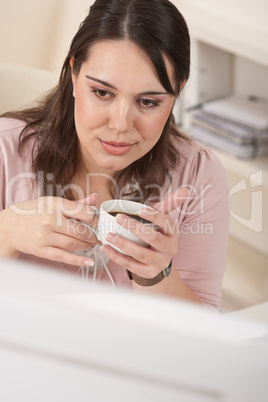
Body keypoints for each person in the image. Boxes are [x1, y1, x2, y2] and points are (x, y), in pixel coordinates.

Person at [0, 0, 229, 309]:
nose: (120, 125)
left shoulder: (198, 173)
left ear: (177, 92)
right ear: (74, 76)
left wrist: (156, 275)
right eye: (103, 93)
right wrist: (7, 231)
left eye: (148, 101)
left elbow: (203, 334)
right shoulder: (5, 149)